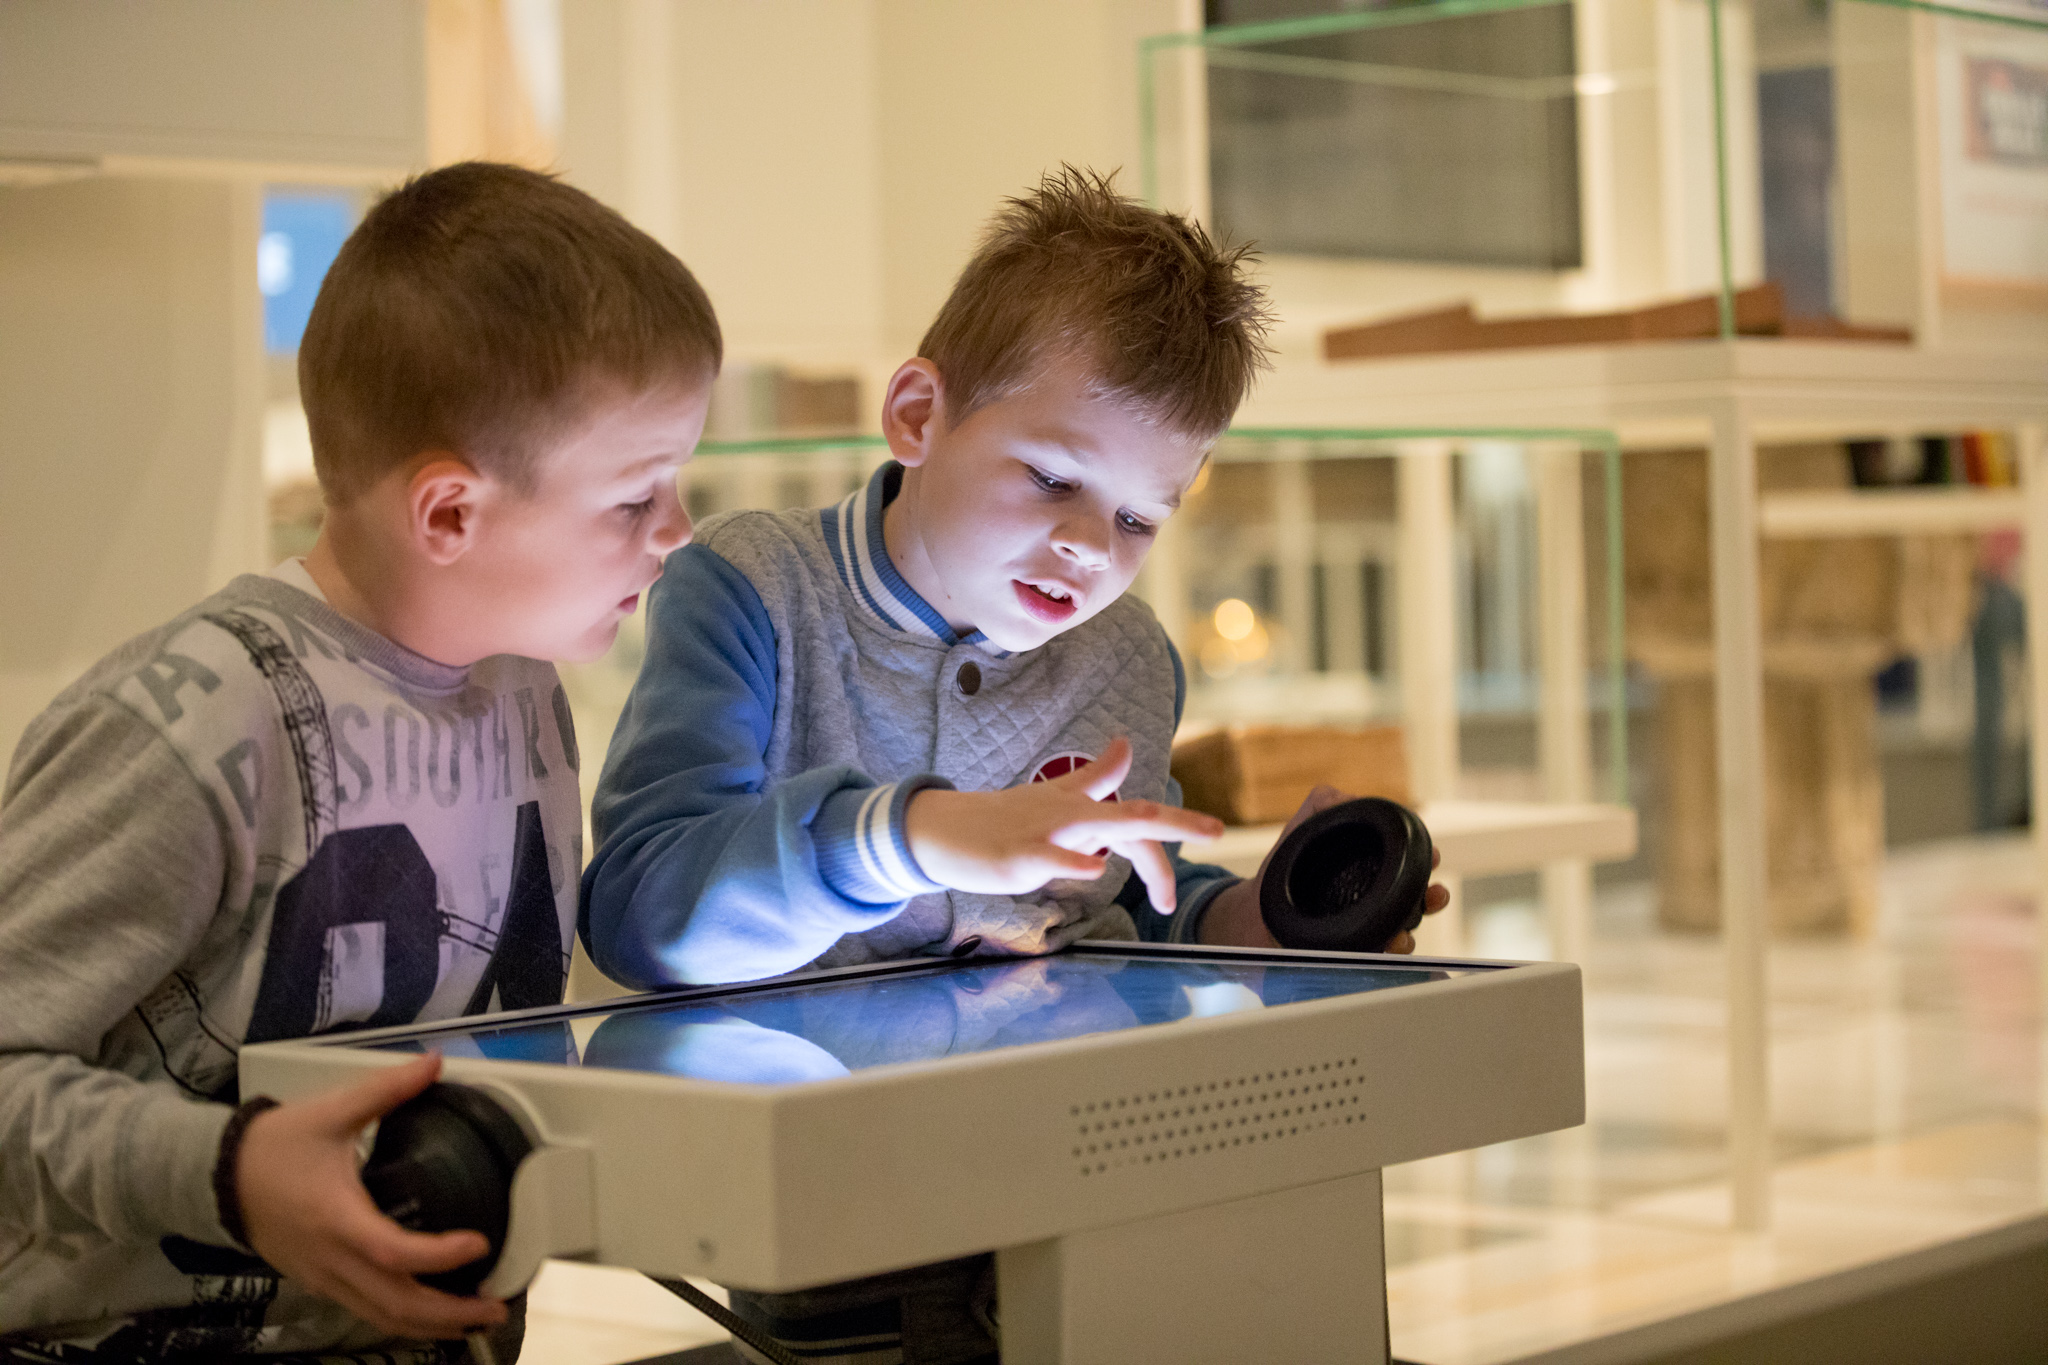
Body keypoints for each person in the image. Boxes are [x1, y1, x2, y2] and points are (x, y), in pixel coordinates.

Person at [583, 166, 1446, 1365]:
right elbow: (644, 911)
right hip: (833, 1213)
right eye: (1051, 478)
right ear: (918, 416)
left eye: (1141, 519)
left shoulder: (1128, 659)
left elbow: (1110, 913)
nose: (1091, 548)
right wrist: (912, 834)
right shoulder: (752, 593)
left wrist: (1253, 916)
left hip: (1076, 1190)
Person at [0, 162, 714, 1363]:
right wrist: (227, 1175)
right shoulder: (190, 723)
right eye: (635, 495)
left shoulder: (524, 685)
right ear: (447, 515)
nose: (677, 530)